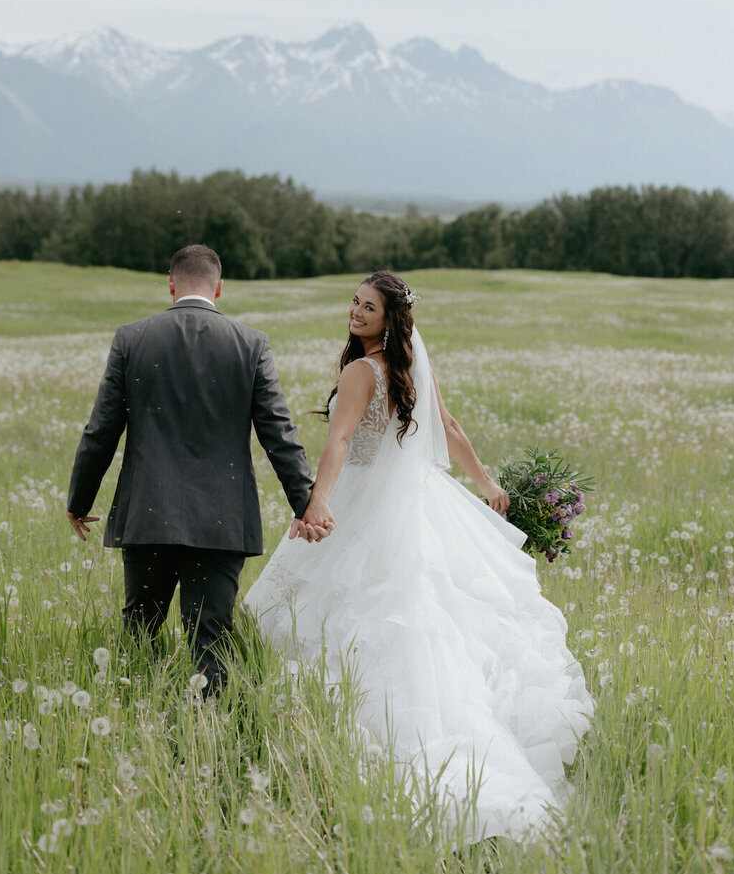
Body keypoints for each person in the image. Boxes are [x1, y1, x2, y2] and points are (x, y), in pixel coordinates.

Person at [245, 270, 593, 843]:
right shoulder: (408, 369)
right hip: (418, 502)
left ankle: (374, 753)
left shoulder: (361, 371)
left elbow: (337, 442)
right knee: (421, 613)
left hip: (364, 501)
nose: (356, 313)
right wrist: (482, 483)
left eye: (369, 308)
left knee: (348, 614)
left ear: (391, 320)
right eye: (354, 303)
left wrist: (319, 502)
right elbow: (448, 426)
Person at [66, 244, 328, 694]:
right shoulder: (251, 344)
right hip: (221, 518)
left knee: (139, 636)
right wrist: (307, 504)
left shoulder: (131, 337)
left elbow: (100, 431)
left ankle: (135, 729)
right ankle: (209, 743)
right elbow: (279, 434)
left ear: (171, 284)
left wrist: (79, 501)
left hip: (148, 513)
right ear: (219, 288)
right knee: (211, 639)